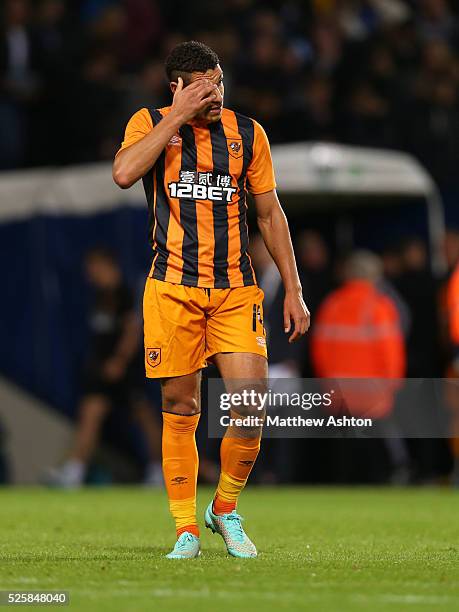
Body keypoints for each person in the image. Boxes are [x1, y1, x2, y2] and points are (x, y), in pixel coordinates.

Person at [113, 40, 310, 559]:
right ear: (176, 87)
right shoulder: (148, 123)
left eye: (219, 82)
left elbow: (269, 214)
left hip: (234, 290)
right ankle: (185, 529)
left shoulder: (249, 133)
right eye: (203, 86)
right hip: (172, 289)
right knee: (181, 406)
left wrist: (292, 288)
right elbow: (124, 173)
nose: (216, 94)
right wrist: (176, 116)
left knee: (249, 407)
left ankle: (224, 508)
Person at [47, 247, 162, 488]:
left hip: (125, 369)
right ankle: (74, 472)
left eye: (93, 268)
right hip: (102, 371)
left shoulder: (126, 292)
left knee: (145, 418)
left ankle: (159, 471)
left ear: (106, 265)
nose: (89, 274)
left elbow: (134, 329)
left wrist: (119, 360)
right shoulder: (99, 296)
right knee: (90, 414)